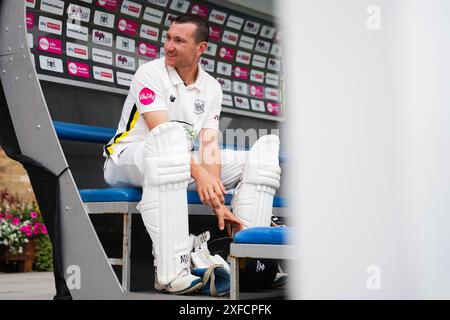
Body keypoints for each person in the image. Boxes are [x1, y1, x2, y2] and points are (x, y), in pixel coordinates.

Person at [103, 15, 281, 295]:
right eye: (168, 38)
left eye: (179, 40)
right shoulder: (149, 73)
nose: (169, 46)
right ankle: (171, 272)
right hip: (126, 159)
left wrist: (219, 203)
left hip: (174, 166)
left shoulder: (211, 87)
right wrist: (199, 174)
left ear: (201, 48)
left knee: (257, 160)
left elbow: (209, 145)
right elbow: (161, 134)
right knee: (168, 151)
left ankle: (250, 264)